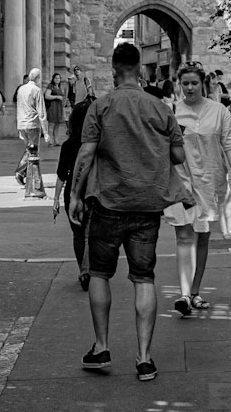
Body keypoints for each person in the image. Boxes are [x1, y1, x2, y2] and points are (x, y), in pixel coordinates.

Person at [68, 40, 193, 382]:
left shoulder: (102, 107)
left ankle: (101, 346)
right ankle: (144, 358)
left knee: (99, 274)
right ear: (140, 69)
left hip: (108, 202)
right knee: (144, 278)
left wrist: (75, 196)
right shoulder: (160, 109)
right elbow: (179, 157)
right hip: (147, 206)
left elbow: (86, 154)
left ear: (113, 70)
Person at [165, 62, 231, 316]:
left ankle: (195, 290)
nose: (189, 87)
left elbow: (230, 143)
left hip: (210, 181)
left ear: (203, 84)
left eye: (194, 83)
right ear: (179, 84)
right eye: (185, 83)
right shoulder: (172, 112)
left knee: (203, 235)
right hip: (180, 183)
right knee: (184, 236)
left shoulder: (219, 111)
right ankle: (185, 294)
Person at [53, 89, 93, 289]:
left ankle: (82, 269)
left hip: (72, 193)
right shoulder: (97, 144)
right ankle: (88, 270)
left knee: (78, 234)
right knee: (90, 233)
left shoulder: (68, 145)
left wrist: (55, 200)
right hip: (93, 192)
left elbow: (62, 174)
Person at [15, 67, 48, 199]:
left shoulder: (21, 89)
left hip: (22, 123)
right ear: (38, 78)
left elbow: (18, 106)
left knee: (29, 149)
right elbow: (42, 112)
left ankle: (27, 176)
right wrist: (46, 132)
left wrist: (18, 126)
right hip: (33, 123)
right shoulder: (37, 90)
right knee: (33, 151)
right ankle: (21, 172)